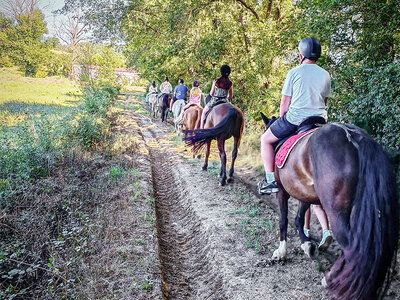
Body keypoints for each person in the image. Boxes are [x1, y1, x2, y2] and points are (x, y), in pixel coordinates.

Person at [258, 37, 331, 195]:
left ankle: (270, 180)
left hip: (296, 119)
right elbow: (324, 101)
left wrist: (282, 119)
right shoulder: (326, 74)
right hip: (320, 120)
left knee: (265, 139)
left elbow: (284, 104)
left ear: (301, 55)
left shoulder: (294, 72)